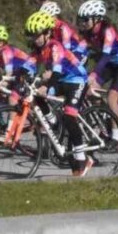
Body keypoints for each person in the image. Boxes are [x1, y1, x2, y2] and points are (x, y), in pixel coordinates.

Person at [26, 11, 94, 176]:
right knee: (37, 96)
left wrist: (47, 86)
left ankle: (83, 158)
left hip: (76, 80)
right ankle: (55, 124)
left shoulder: (55, 46)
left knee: (69, 116)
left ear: (47, 33)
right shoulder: (38, 49)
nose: (35, 39)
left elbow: (56, 71)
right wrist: (17, 76)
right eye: (32, 36)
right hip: (63, 80)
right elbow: (27, 65)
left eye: (37, 35)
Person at [77, 0, 118, 142]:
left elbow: (105, 56)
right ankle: (106, 114)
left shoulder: (108, 31)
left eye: (86, 20)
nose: (83, 23)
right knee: (90, 91)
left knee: (111, 98)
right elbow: (78, 52)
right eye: (81, 20)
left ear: (97, 19)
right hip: (111, 64)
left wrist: (93, 74)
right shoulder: (89, 33)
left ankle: (117, 137)